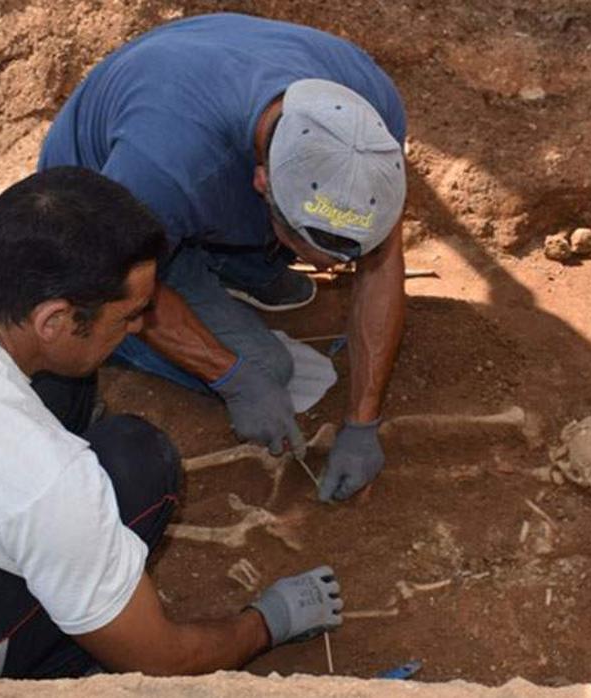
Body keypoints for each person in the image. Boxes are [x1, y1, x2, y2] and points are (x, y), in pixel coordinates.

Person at [0, 168, 343, 697]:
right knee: (138, 465)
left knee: (66, 387)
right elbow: (162, 660)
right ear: (55, 320)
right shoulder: (44, 479)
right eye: (129, 315)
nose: (139, 327)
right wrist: (267, 622)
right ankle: (47, 667)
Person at [39, 13, 409, 502]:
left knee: (258, 272)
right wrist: (232, 379)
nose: (327, 272)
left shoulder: (369, 123)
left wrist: (364, 422)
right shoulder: (168, 169)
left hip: (192, 162)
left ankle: (240, 262)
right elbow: (115, 285)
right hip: (101, 221)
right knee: (267, 370)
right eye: (313, 250)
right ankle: (169, 298)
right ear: (261, 183)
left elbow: (382, 264)